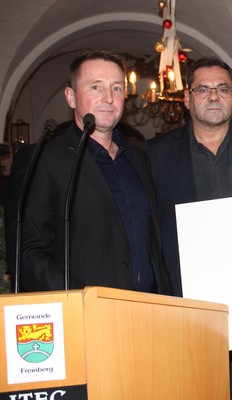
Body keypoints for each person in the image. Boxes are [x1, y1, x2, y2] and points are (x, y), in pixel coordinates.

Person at [144, 56, 232, 400]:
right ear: (187, 98)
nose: (213, 96)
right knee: (189, 390)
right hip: (183, 305)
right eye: (203, 89)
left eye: (222, 89)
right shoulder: (154, 154)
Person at [19, 50, 171, 294]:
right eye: (95, 87)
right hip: (85, 311)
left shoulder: (139, 158)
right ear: (71, 97)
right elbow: (30, 253)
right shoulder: (44, 159)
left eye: (117, 88)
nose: (108, 98)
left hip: (148, 307)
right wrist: (80, 301)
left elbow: (153, 240)